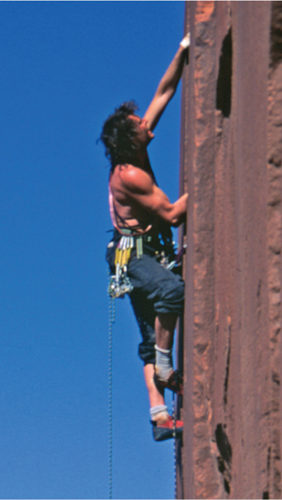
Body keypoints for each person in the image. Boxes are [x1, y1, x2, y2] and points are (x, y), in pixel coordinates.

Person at [101, 33, 190, 442]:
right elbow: (172, 214)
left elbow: (165, 91)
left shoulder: (135, 147)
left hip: (132, 254)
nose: (146, 124)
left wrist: (183, 51)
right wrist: (208, 182)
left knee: (151, 337)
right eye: (139, 126)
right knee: (171, 292)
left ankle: (158, 415)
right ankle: (167, 368)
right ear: (129, 142)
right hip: (134, 257)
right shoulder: (130, 175)